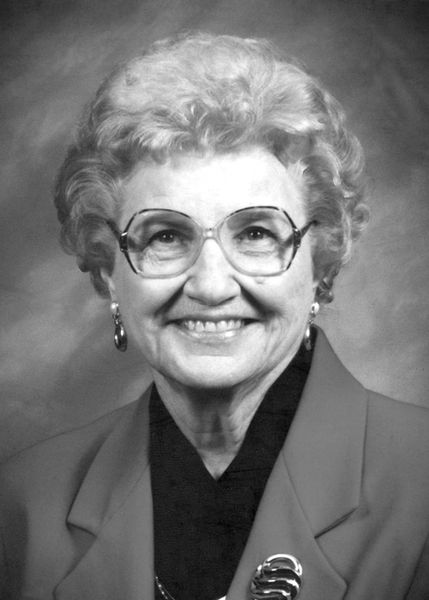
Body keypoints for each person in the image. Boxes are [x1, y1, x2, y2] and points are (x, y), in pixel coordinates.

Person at [1, 32, 428, 600]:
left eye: (255, 234)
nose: (210, 285)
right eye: (165, 236)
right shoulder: (22, 504)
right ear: (107, 272)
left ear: (321, 263)